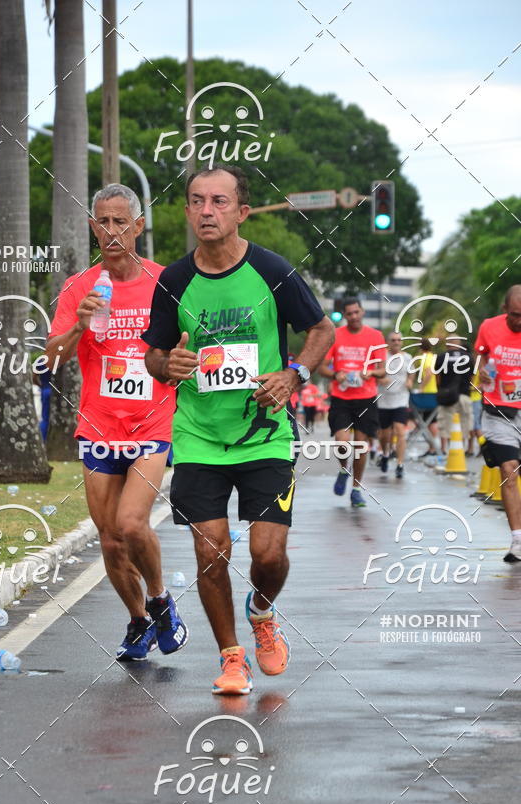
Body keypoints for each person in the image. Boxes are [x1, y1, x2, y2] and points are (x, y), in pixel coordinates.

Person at [142, 165, 334, 695]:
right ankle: (231, 658)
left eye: (219, 201)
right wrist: (169, 365)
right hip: (200, 436)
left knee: (268, 554)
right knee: (211, 552)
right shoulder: (174, 281)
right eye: (198, 201)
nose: (207, 210)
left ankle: (263, 612)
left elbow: (322, 328)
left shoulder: (272, 271)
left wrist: (294, 375)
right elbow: (155, 355)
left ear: (241, 212)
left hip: (265, 433)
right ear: (186, 211)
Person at [45, 183, 189, 660]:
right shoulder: (79, 287)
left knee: (131, 524)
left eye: (120, 222)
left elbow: (192, 341)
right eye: (102, 222)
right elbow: (51, 359)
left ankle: (162, 597)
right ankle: (138, 621)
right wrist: (78, 326)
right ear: (93, 227)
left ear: (138, 226)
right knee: (109, 540)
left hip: (151, 424)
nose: (111, 231)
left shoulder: (167, 282)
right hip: (99, 426)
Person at [318, 299, 386, 507]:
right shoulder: (336, 335)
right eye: (349, 314)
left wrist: (371, 372)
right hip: (341, 398)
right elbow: (322, 367)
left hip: (366, 398)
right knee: (342, 442)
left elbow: (383, 370)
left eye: (357, 312)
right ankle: (342, 469)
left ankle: (356, 489)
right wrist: (335, 374)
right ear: (344, 316)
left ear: (362, 312)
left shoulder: (375, 336)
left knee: (361, 447)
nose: (354, 316)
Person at [475, 286, 521, 563]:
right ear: (505, 310)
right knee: (508, 469)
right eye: (515, 315)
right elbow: (481, 353)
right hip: (498, 411)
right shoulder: (488, 327)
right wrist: (482, 369)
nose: (520, 321)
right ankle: (517, 540)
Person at [376, 331, 413, 478]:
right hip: (384, 400)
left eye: (399, 340)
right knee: (384, 434)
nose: (396, 342)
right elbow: (375, 374)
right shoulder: (382, 356)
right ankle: (385, 454)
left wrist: (410, 381)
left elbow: (411, 374)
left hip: (401, 399)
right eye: (393, 340)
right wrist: (381, 380)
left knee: (400, 431)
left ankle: (400, 464)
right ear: (388, 342)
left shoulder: (408, 358)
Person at [435, 338, 473, 455]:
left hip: (447, 395)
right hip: (464, 395)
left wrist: (440, 389)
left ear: (447, 344)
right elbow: (472, 376)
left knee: (445, 422)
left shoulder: (441, 357)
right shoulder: (469, 357)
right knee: (463, 422)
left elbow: (438, 377)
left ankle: (444, 449)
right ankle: (460, 448)